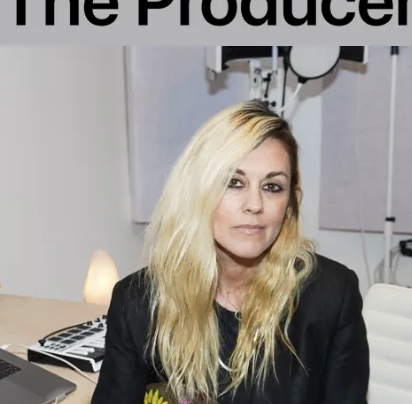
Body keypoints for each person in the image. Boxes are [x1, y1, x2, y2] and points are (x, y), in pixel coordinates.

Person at [91, 100, 369, 404]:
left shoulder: (332, 295)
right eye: (234, 182)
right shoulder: (138, 302)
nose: (255, 205)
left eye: (272, 187)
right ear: (198, 191)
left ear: (290, 204)